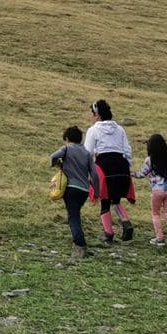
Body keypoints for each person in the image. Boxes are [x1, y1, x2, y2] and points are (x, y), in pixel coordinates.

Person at [84, 99, 135, 244]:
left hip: (104, 168)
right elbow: (127, 150)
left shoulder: (93, 130)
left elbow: (88, 152)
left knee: (104, 202)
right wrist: (127, 166)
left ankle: (108, 233)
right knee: (116, 200)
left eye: (92, 114)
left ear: (97, 115)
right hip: (121, 167)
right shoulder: (120, 129)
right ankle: (126, 223)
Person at [50, 126, 96, 258]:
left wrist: (57, 164)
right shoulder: (87, 153)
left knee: (73, 217)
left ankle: (79, 245)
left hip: (70, 188)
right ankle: (82, 245)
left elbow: (53, 156)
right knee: (76, 214)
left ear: (68, 139)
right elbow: (94, 175)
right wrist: (97, 191)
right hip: (84, 190)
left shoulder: (67, 149)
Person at [133, 134, 167, 246]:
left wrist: (131, 173)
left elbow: (141, 174)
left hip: (157, 191)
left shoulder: (149, 160)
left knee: (156, 214)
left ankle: (160, 238)